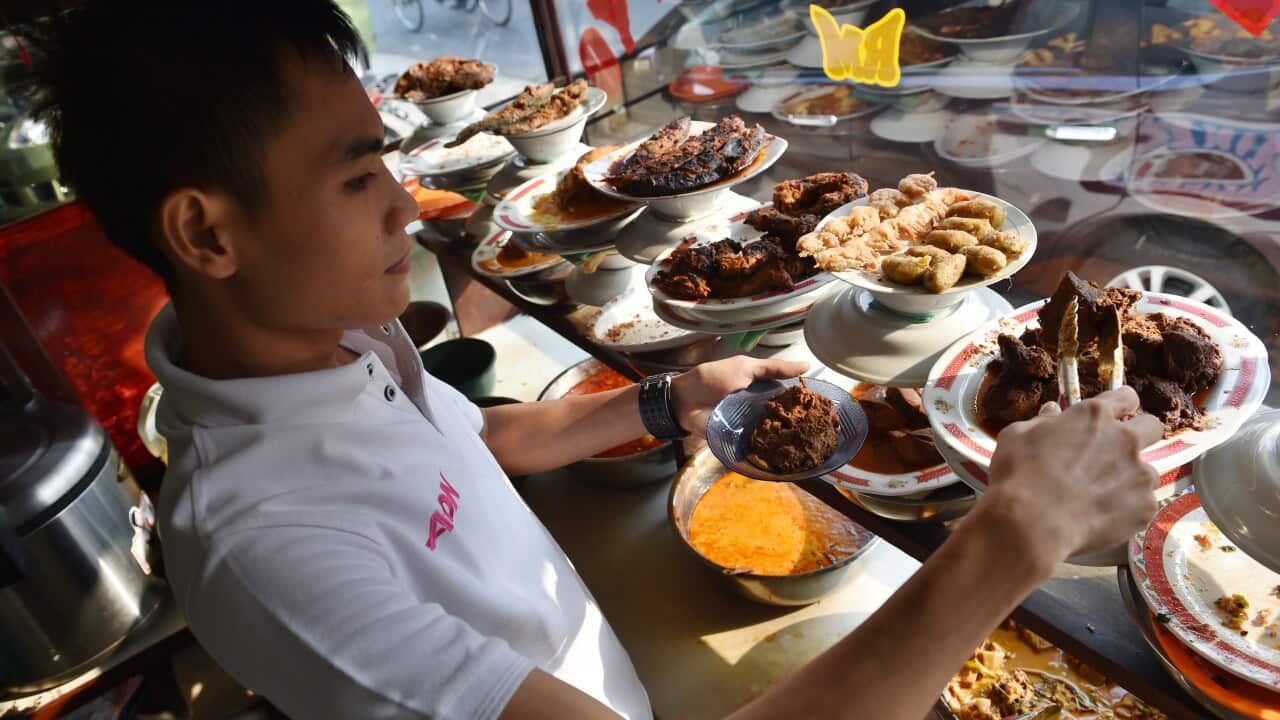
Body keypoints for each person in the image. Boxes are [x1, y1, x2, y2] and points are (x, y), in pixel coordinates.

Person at [33, 3, 1164, 719]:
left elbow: (469, 445)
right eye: (355, 175)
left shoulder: (332, 340)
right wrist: (1009, 541)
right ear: (206, 234)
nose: (400, 204)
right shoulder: (269, 555)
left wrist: (671, 401)